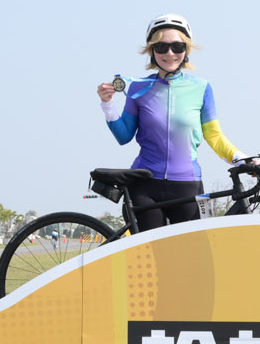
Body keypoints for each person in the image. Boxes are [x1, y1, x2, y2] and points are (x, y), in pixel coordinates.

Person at [96, 14, 245, 231]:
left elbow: (214, 136)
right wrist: (107, 104)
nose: (170, 53)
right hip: (145, 186)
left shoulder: (202, 88)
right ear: (151, 51)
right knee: (149, 252)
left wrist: (241, 159)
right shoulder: (138, 88)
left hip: (188, 184)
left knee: (196, 250)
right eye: (161, 47)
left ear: (186, 50)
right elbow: (123, 136)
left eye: (177, 46)